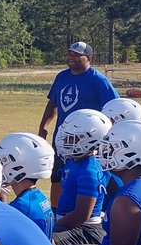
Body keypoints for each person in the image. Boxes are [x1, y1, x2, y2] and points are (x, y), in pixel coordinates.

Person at [39, 41, 119, 207]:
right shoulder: (62, 77)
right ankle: (56, 211)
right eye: (70, 54)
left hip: (87, 141)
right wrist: (43, 127)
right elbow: (53, 103)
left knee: (85, 177)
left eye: (77, 55)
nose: (71, 57)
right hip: (63, 138)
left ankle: (90, 211)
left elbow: (114, 108)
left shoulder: (98, 80)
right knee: (57, 176)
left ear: (88, 58)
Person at [52, 108, 113, 245]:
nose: (65, 140)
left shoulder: (89, 171)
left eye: (72, 137)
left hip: (86, 229)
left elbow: (82, 214)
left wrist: (54, 226)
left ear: (90, 140)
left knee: (44, 240)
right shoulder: (73, 161)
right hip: (72, 223)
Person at [0, 131, 56, 238]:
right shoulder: (38, 197)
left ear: (18, 168)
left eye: (2, 161)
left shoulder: (22, 207)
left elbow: (0, 236)